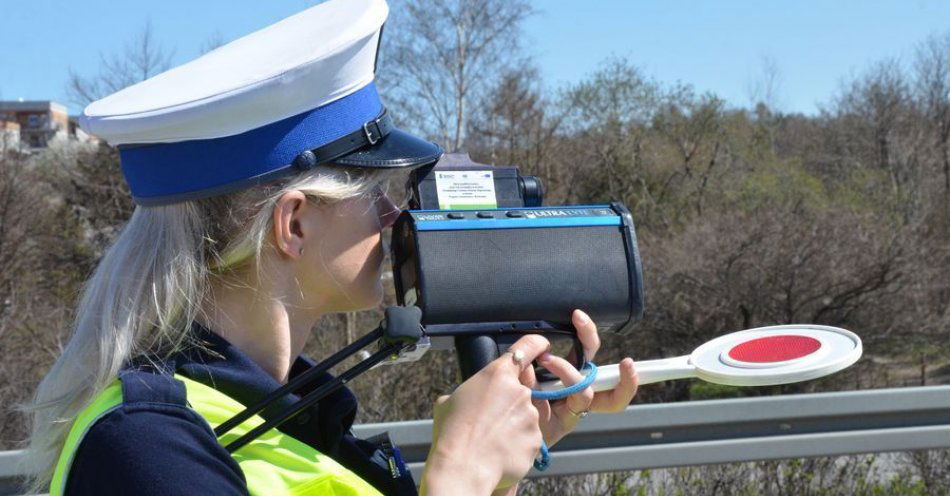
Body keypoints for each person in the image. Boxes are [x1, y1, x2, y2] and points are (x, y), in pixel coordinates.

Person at [22, 0, 639, 494]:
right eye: (374, 195)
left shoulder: (290, 417)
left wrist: (499, 465)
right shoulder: (144, 447)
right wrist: (459, 479)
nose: (396, 216)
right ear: (292, 224)